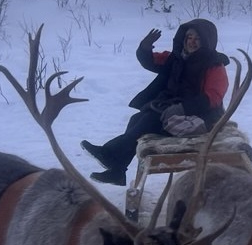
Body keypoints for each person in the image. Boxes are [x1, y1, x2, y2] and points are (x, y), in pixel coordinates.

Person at [81, 19, 230, 185]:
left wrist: (182, 108)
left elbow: (213, 97)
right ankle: (117, 171)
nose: (192, 42)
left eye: (197, 39)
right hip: (174, 110)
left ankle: (109, 153)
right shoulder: (177, 58)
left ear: (207, 41)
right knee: (136, 119)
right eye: (189, 37)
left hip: (203, 118)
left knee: (150, 120)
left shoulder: (214, 65)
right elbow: (152, 61)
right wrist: (144, 48)